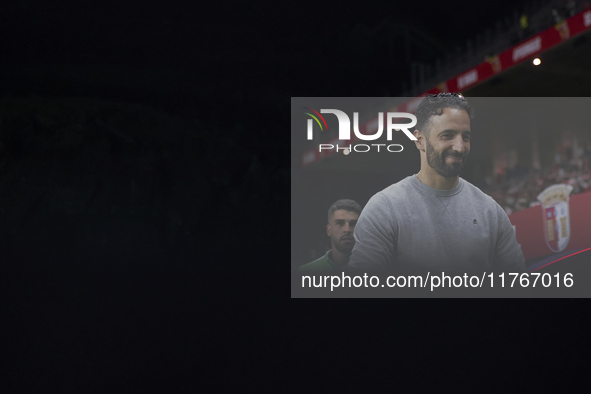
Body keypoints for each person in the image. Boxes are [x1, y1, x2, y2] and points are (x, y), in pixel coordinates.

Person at [348, 93, 525, 274]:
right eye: (447, 135)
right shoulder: (384, 208)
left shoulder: (491, 212)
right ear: (419, 140)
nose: (460, 146)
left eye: (465, 137)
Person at [299, 199, 362, 274]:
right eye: (340, 223)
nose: (347, 229)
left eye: (353, 224)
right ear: (329, 230)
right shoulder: (306, 272)